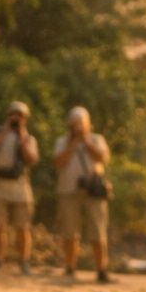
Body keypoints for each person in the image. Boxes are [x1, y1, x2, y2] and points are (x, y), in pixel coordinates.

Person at [52, 105, 111, 282]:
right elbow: (57, 162)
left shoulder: (96, 139)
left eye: (81, 123)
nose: (77, 126)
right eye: (74, 123)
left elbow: (103, 158)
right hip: (68, 191)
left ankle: (101, 269)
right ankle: (70, 267)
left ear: (88, 124)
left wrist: (85, 141)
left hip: (93, 192)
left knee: (98, 231)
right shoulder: (62, 142)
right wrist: (72, 144)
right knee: (69, 232)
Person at [0, 101, 40, 273]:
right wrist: (5, 132)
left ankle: (24, 262)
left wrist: (21, 138)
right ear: (7, 116)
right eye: (13, 114)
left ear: (25, 119)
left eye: (20, 116)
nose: (16, 118)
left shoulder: (29, 138)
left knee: (23, 227)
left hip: (20, 187)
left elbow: (32, 160)